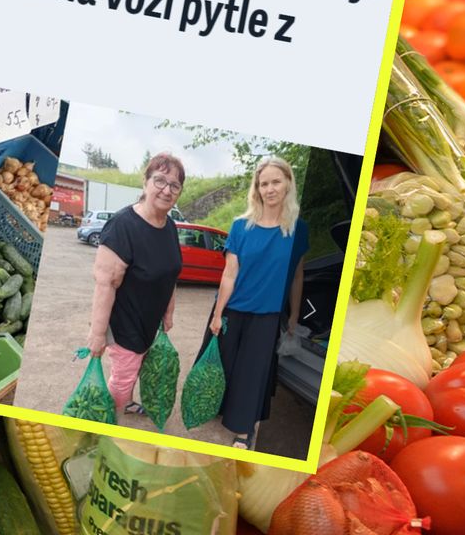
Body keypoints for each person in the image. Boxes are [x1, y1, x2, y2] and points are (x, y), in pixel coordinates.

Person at [208, 156, 311, 449]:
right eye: (263, 183)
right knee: (223, 366)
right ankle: (218, 407)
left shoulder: (297, 230)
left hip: (267, 316)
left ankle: (244, 430)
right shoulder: (241, 226)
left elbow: (296, 276)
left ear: (288, 183)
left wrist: (294, 317)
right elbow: (230, 273)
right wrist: (217, 314)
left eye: (276, 181)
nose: (270, 189)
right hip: (232, 310)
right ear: (257, 189)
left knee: (252, 375)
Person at [87, 154, 186, 417]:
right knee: (123, 376)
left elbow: (170, 273)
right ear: (145, 182)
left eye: (174, 185)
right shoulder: (123, 226)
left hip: (149, 321)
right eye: (160, 181)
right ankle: (115, 415)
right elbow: (105, 284)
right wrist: (97, 334)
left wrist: (168, 311)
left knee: (132, 370)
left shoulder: (170, 226)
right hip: (125, 324)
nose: (167, 190)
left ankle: (126, 402)